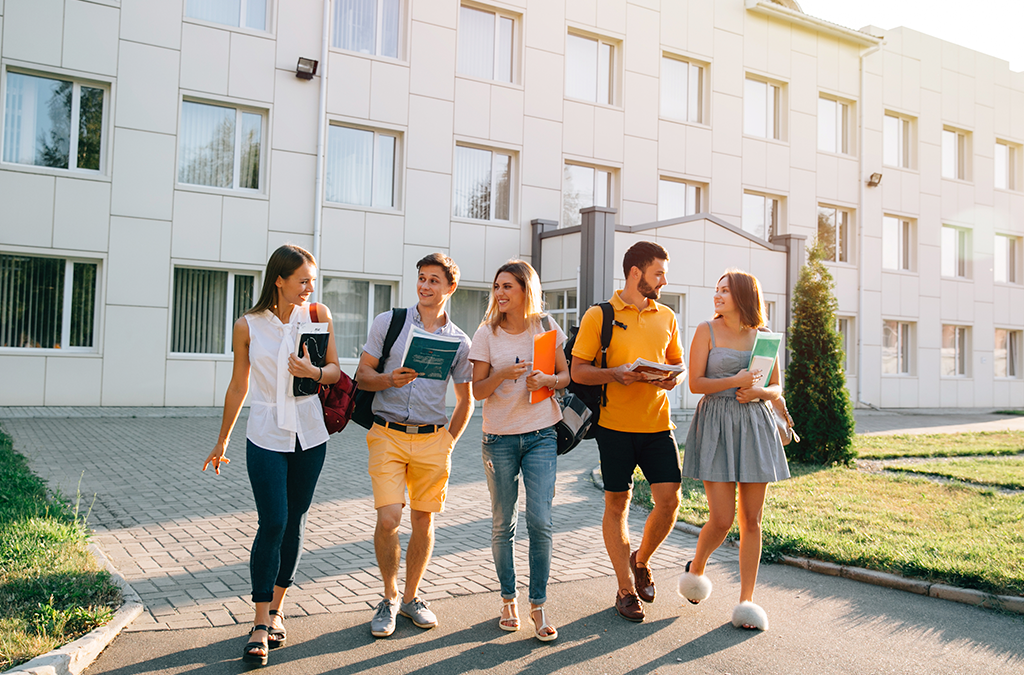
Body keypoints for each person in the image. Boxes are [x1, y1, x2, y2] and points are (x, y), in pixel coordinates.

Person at [203, 244, 342, 666]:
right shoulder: (247, 325)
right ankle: (260, 621)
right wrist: (222, 438)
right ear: (279, 279)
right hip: (264, 432)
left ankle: (279, 609)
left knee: (296, 520)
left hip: (311, 432)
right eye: (302, 280)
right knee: (274, 520)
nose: (308, 288)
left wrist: (313, 373)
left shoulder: (318, 316)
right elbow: (238, 385)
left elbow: (335, 370)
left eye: (312, 281)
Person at [355, 253, 474, 638]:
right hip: (387, 433)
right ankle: (388, 598)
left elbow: (467, 399)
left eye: (434, 280)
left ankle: (411, 598)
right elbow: (362, 375)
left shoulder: (459, 341)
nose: (425, 286)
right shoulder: (388, 323)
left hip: (431, 440)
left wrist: (448, 442)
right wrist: (389, 380)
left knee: (424, 520)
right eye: (421, 278)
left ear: (450, 288)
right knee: (389, 518)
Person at [571, 241, 686, 623]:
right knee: (617, 504)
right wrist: (615, 374)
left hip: (657, 425)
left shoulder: (666, 316)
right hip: (614, 427)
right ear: (636, 273)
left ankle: (641, 560)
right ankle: (624, 589)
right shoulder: (598, 316)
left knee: (669, 501)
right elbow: (578, 371)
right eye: (658, 273)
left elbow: (675, 362)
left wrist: (670, 379)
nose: (664, 280)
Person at [676, 269, 789, 632]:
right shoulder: (705, 330)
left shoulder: (764, 338)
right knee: (722, 518)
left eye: (725, 291)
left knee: (752, 520)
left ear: (743, 296)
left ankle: (747, 601)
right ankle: (696, 568)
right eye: (716, 290)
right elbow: (696, 384)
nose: (718, 295)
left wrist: (759, 392)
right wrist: (737, 381)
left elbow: (776, 388)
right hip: (717, 425)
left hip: (755, 427)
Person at [469, 260, 569, 642]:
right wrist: (502, 375)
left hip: (541, 433)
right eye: (497, 287)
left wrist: (548, 380)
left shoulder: (545, 327)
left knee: (540, 520)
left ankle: (538, 604)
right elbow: (477, 391)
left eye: (507, 286)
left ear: (526, 289)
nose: (500, 293)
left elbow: (566, 376)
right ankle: (508, 598)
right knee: (502, 523)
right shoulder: (486, 334)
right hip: (499, 438)